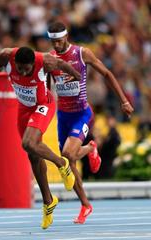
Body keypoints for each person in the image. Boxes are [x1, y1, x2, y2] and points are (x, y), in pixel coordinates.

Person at [0, 46, 80, 229]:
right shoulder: (6, 56)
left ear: (34, 63)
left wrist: (76, 76)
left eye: (27, 68)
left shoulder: (45, 61)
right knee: (33, 155)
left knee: (28, 143)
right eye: (19, 68)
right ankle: (48, 202)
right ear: (15, 62)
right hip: (24, 109)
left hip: (44, 105)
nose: (23, 72)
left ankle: (62, 164)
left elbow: (64, 65)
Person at [47, 21, 134, 224]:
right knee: (69, 163)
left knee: (68, 153)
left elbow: (107, 74)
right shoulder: (49, 59)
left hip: (82, 114)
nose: (57, 46)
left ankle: (88, 148)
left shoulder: (81, 53)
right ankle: (85, 205)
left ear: (66, 37)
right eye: (53, 42)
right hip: (63, 116)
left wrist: (124, 101)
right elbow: (48, 85)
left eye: (59, 42)